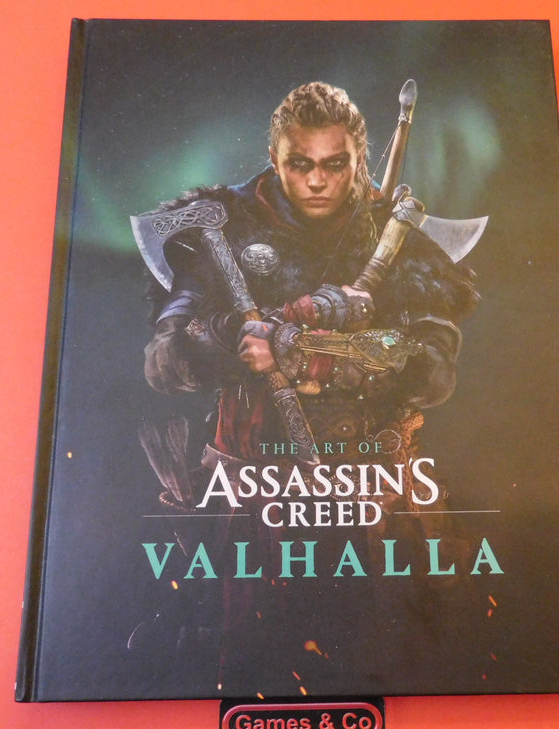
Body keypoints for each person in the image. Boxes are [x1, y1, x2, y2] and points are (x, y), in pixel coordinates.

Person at [138, 81, 480, 693]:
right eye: (300, 164)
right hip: (251, 494)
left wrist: (330, 359)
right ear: (275, 159)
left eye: (335, 164)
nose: (317, 180)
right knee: (247, 667)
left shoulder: (398, 236)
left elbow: (435, 372)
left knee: (394, 669)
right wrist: (236, 338)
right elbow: (165, 361)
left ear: (359, 159)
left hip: (372, 495)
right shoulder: (223, 229)